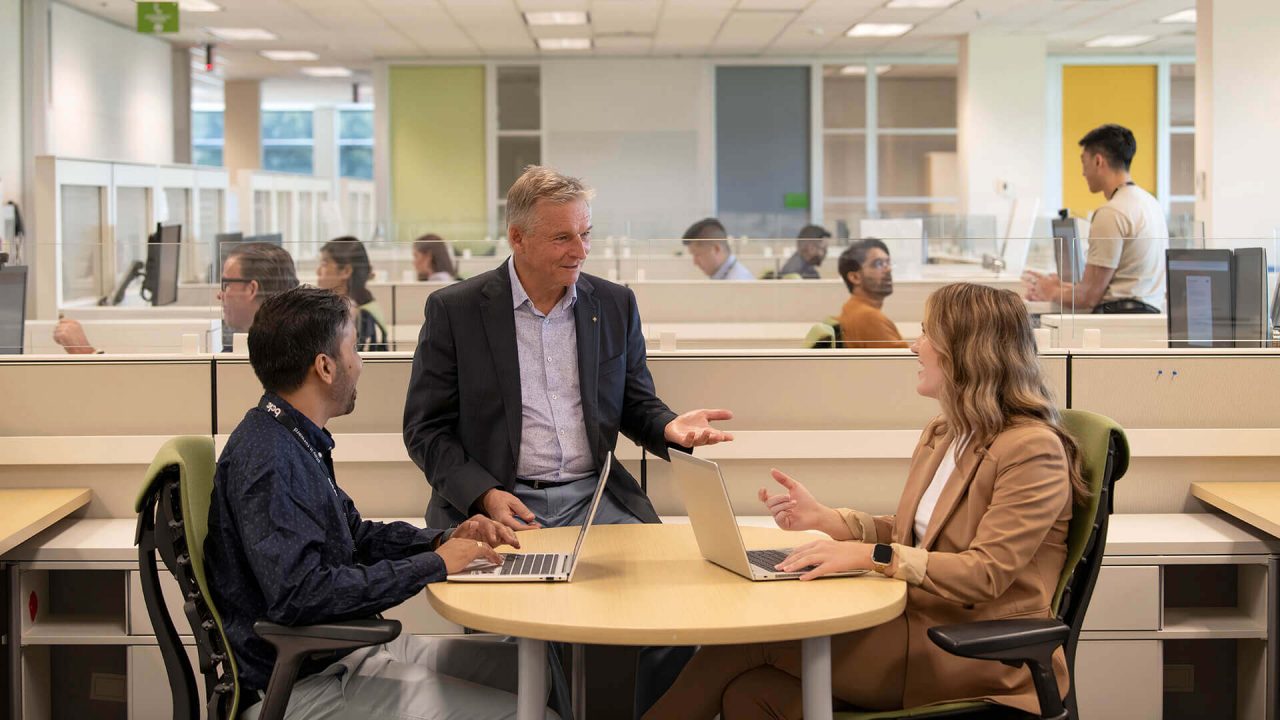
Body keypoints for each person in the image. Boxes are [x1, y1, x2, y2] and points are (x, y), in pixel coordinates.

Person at [646, 282, 1086, 720]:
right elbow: (916, 535)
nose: (916, 346)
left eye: (928, 334)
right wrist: (826, 520)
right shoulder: (946, 432)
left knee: (748, 643)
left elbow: (984, 574)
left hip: (967, 652)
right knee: (751, 694)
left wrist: (871, 556)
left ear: (967, 350)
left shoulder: (1032, 450)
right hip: (912, 627)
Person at [403, 165, 736, 716]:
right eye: (563, 236)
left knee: (675, 611)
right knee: (528, 640)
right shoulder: (456, 311)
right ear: (518, 238)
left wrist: (670, 428)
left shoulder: (613, 304)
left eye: (586, 233)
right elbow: (425, 429)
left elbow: (635, 403)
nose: (580, 249)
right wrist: (483, 494)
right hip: (505, 505)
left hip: (595, 498)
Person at [205, 286, 549, 720]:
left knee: (533, 672)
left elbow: (356, 537)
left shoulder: (296, 438)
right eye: (354, 349)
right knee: (537, 714)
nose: (360, 362)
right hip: (305, 682)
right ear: (326, 367)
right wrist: (437, 564)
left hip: (346, 652)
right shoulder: (269, 459)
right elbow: (300, 595)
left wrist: (444, 539)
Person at [53, 241, 298, 354]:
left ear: (251, 289)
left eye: (226, 284)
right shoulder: (284, 345)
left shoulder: (269, 358)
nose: (219, 294)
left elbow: (152, 404)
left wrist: (84, 352)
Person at [1023, 123, 1168, 313]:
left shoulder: (1112, 212)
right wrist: (1060, 285)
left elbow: (1088, 297)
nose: (1083, 172)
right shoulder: (1150, 203)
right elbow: (1119, 283)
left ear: (1098, 161)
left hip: (1115, 320)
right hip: (1144, 315)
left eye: (1084, 162)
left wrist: (1050, 292)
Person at [317, 237, 389, 351]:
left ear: (346, 271)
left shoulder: (362, 315)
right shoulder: (351, 308)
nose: (318, 271)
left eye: (324, 264)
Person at [837, 238, 908, 349]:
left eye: (888, 263)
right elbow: (904, 364)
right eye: (878, 264)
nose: (888, 269)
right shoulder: (869, 317)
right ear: (855, 277)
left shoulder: (851, 307)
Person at [682, 217, 754, 280]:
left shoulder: (737, 282)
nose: (695, 262)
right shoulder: (725, 277)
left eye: (697, 255)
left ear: (716, 249)